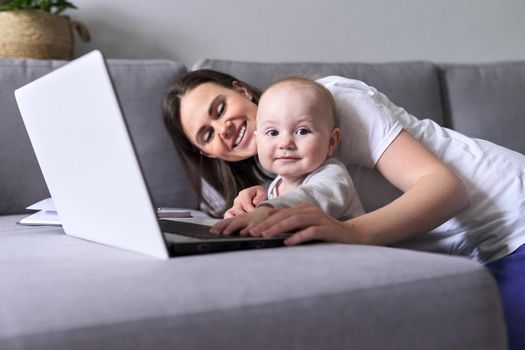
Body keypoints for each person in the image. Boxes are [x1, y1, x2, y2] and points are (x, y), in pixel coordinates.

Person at [163, 69, 525, 349]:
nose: (222, 128)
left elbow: (446, 190)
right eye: (207, 134)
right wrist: (267, 198)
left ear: (241, 90)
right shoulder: (277, 170)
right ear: (208, 154)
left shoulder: (333, 102)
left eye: (220, 108)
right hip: (475, 256)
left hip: (515, 216)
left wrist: (353, 232)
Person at [211, 76, 365, 235]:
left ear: (331, 142)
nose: (285, 143)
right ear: (258, 140)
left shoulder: (333, 176)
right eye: (273, 132)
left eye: (302, 131)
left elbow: (310, 197)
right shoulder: (275, 187)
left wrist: (265, 211)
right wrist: (245, 215)